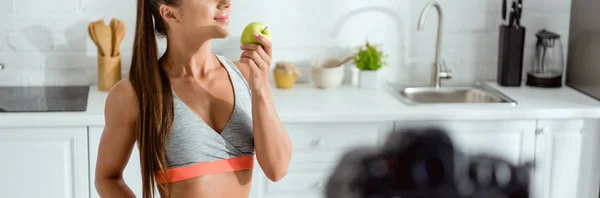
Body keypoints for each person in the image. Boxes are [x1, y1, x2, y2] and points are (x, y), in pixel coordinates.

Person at [93, 0, 293, 197]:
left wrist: (261, 86)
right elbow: (107, 178)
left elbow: (277, 169)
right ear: (170, 14)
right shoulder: (134, 94)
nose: (226, 2)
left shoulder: (245, 76)